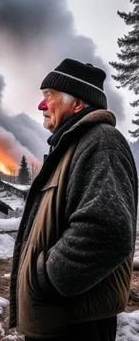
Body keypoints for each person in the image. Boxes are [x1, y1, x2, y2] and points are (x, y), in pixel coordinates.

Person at [9, 58, 138, 341]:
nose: (42, 106)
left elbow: (109, 229)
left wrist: (48, 276)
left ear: (77, 104)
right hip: (59, 321)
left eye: (49, 97)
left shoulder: (101, 141)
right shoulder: (73, 146)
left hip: (75, 324)